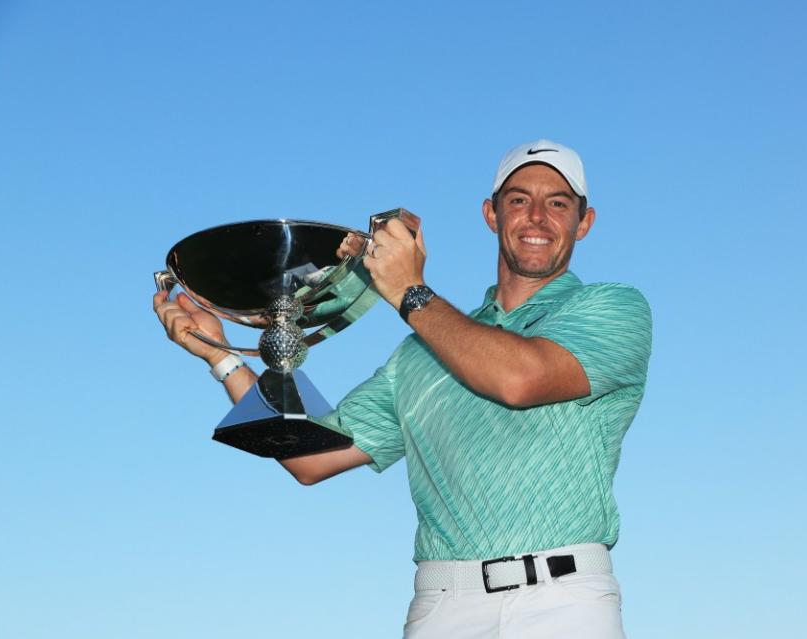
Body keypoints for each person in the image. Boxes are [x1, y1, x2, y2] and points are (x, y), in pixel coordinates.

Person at [153, 139, 652, 638]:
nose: (538, 217)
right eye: (519, 200)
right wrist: (220, 356)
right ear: (491, 215)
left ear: (584, 222)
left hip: (562, 599)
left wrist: (408, 291)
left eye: (558, 203)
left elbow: (518, 379)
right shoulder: (421, 351)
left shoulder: (613, 308)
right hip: (443, 606)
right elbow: (309, 459)